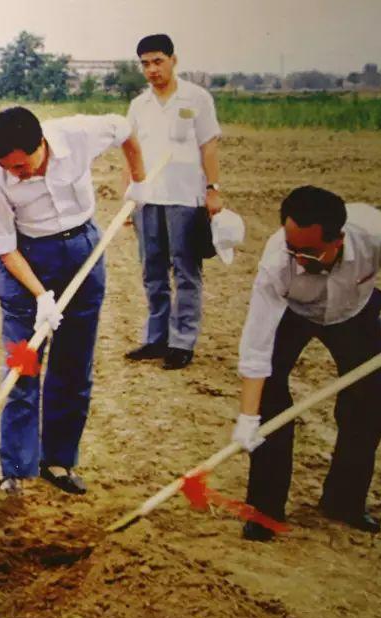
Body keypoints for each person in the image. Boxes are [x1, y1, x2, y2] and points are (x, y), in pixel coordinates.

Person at [232, 186, 381, 541]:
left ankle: (344, 502)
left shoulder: (376, 234)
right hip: (293, 313)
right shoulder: (277, 262)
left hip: (353, 313)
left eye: (310, 252)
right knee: (270, 405)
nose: (299, 258)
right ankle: (265, 511)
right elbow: (256, 347)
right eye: (293, 248)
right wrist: (247, 418)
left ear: (339, 239)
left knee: (369, 407)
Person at [0, 106, 146, 495]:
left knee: (73, 366)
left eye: (20, 166)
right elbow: (5, 247)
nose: (15, 173)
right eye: (8, 168)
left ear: (40, 144)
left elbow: (125, 129)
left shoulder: (78, 134)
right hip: (26, 262)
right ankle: (17, 471)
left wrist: (138, 180)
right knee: (23, 365)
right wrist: (41, 297)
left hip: (83, 252)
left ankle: (58, 461)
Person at [124, 33, 223, 370]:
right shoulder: (139, 106)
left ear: (173, 60)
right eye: (145, 64)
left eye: (158, 61)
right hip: (148, 200)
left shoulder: (197, 98)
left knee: (185, 272)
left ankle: (182, 342)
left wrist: (212, 189)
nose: (152, 69)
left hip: (185, 198)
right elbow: (131, 153)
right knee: (152, 271)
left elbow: (208, 147)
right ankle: (157, 338)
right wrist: (129, 198)